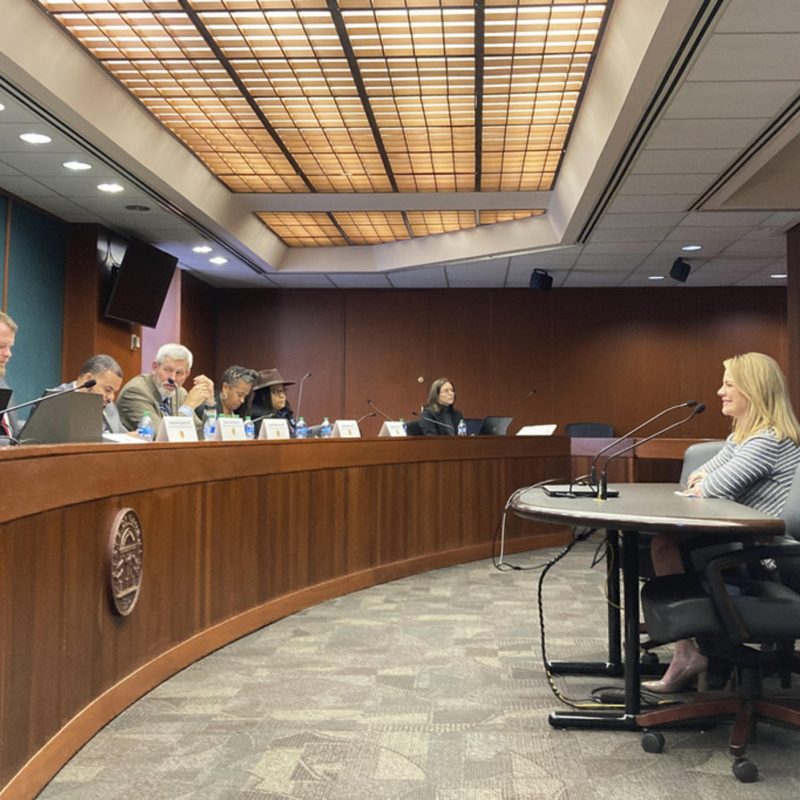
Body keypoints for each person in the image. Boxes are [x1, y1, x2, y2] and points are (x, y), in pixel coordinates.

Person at [642, 352, 800, 693]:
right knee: (666, 543)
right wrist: (704, 485)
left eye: (728, 384)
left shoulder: (768, 440)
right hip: (744, 546)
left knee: (665, 544)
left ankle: (694, 653)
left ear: (753, 390)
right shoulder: (742, 438)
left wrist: (705, 486)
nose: (719, 392)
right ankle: (699, 652)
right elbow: (696, 480)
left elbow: (713, 486)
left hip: (763, 558)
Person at [116, 343, 214, 434]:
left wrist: (210, 404)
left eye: (179, 373)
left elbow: (200, 435)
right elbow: (162, 435)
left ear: (187, 374)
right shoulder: (136, 392)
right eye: (167, 370)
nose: (172, 378)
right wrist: (188, 406)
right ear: (155, 367)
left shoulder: (180, 393)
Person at [48, 354, 126, 433]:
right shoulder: (55, 400)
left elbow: (122, 436)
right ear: (88, 379)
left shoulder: (109, 406)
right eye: (108, 390)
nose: (111, 397)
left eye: (114, 392)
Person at [250, 369, 296, 435]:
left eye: (283, 391)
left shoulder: (285, 413)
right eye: (277, 392)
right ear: (264, 396)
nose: (282, 396)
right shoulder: (258, 418)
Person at [0, 311, 18, 440]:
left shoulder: (3, 385)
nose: (8, 354)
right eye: (1, 346)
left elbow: (14, 435)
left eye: (10, 347)